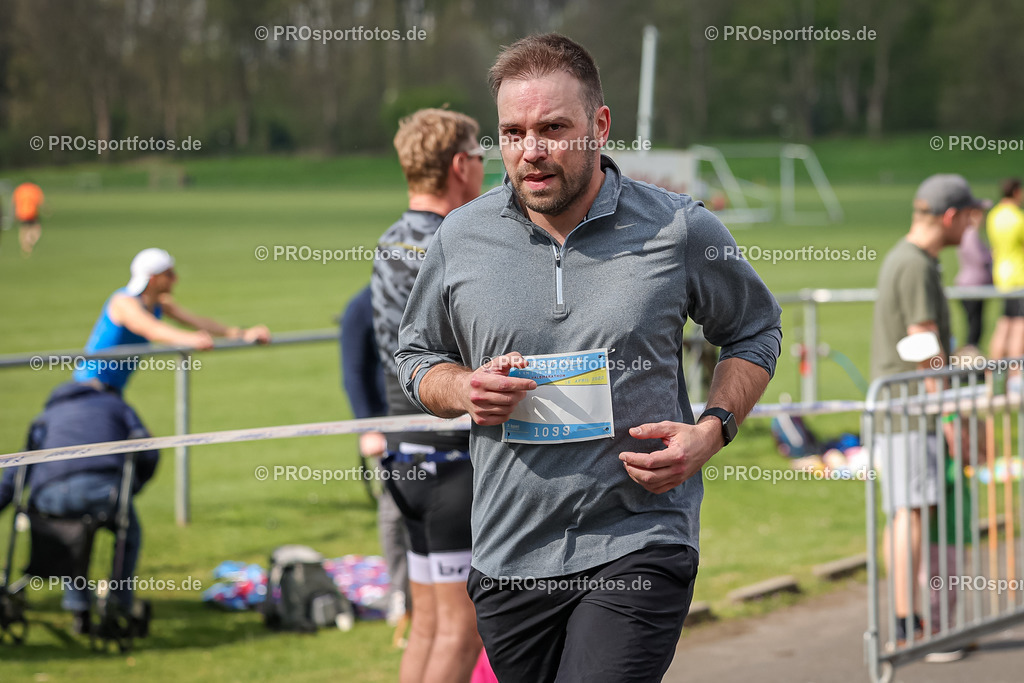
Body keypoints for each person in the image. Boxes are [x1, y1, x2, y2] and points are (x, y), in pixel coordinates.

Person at [395, 34, 782, 682]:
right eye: (513, 132)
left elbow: (754, 329)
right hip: (510, 554)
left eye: (553, 128)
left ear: (600, 126)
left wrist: (712, 430)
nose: (531, 151)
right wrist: (463, 388)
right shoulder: (461, 235)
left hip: (638, 540)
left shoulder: (678, 228)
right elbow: (415, 356)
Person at [371, 107, 485, 683]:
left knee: (426, 624)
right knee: (461, 633)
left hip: (403, 453)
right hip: (449, 456)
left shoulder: (389, 240)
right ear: (460, 165)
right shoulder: (458, 240)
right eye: (484, 158)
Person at [871, 173, 986, 660]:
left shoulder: (915, 259)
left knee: (906, 514)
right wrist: (951, 416)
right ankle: (910, 624)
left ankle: (909, 619)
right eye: (969, 217)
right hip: (911, 415)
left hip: (905, 414)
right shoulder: (915, 264)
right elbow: (924, 349)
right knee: (910, 515)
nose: (972, 227)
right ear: (949, 216)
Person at [0, 381, 160, 634]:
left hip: (48, 496)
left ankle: (78, 608)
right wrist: (134, 487)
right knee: (128, 534)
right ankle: (119, 601)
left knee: (69, 537)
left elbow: (18, 467)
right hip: (104, 490)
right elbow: (148, 450)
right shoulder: (117, 405)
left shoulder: (47, 416)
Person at [73, 248, 270, 393]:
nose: (175, 279)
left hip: (112, 390)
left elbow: (198, 321)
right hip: (90, 388)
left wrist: (242, 334)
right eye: (169, 274)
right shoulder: (123, 303)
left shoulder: (160, 303)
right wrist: (189, 340)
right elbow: (151, 329)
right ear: (152, 279)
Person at [339, 285, 411, 630]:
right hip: (390, 425)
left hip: (439, 418)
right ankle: (401, 592)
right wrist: (367, 427)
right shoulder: (361, 306)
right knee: (394, 511)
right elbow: (353, 372)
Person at [987, 178, 1024, 365]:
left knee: (1004, 324)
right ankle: (1017, 375)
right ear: (1016, 192)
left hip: (1001, 274)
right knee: (1019, 327)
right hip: (1019, 276)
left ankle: (993, 371)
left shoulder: (994, 215)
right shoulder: (1018, 218)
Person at [954, 221, 992, 350]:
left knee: (975, 326)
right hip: (972, 287)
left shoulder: (968, 233)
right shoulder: (970, 234)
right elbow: (979, 258)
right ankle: (970, 361)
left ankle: (971, 358)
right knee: (974, 328)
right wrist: (992, 254)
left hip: (973, 286)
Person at [13, 181, 44, 256]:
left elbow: (15, 202)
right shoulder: (35, 189)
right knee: (36, 229)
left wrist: (14, 214)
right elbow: (39, 201)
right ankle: (29, 242)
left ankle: (25, 245)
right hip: (32, 213)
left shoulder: (19, 190)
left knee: (24, 230)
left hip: (22, 213)